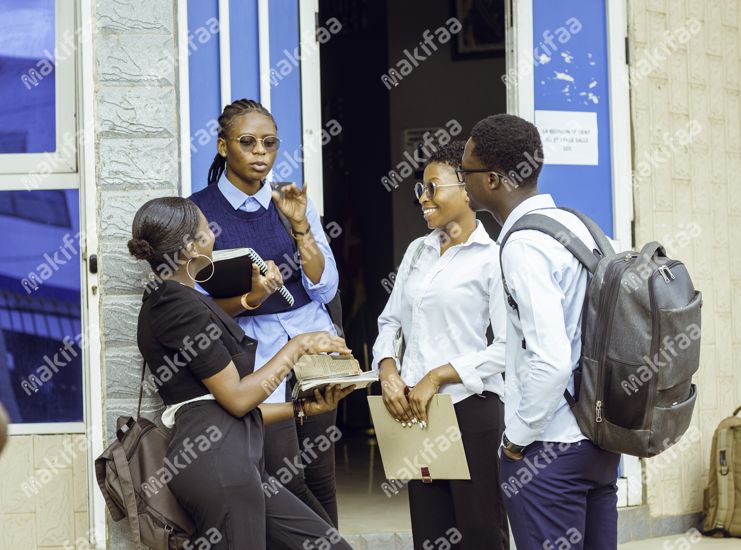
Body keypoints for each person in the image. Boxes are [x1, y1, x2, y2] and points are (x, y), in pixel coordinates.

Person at [128, 197, 354, 549]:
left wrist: (304, 410)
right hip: (220, 466)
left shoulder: (176, 299)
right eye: (208, 230)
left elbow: (228, 410)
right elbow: (235, 399)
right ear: (191, 248)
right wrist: (299, 346)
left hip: (236, 460)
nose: (214, 236)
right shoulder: (174, 305)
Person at [460, 114, 620, 550]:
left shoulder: (524, 246)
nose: (462, 182)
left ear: (492, 179)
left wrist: (516, 441)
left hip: (549, 449)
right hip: (599, 442)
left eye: (465, 172)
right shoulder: (582, 226)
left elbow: (549, 358)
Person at [189, 99, 341, 526]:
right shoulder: (198, 212)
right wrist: (251, 298)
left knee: (321, 475)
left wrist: (301, 227)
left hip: (315, 346)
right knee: (282, 479)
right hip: (256, 356)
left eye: (269, 143)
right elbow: (199, 306)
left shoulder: (291, 199)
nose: (260, 152)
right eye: (247, 142)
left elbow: (325, 285)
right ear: (222, 147)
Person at [372, 141, 509, 550]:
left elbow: (507, 348)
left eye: (433, 188)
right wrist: (388, 370)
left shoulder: (494, 257)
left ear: (467, 189)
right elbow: (390, 320)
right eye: (420, 190)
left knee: (480, 532)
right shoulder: (419, 251)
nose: (423, 198)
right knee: (431, 535)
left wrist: (438, 374)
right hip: (416, 412)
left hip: (471, 410)